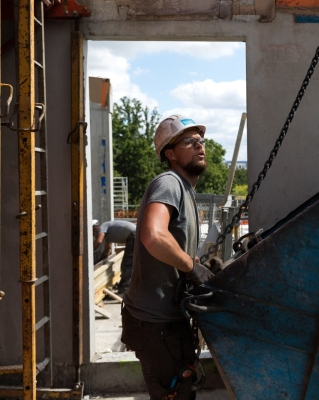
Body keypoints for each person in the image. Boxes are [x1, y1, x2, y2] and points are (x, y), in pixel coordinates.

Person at [121, 115, 215, 400]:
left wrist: (193, 264)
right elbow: (153, 235)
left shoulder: (184, 190)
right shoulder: (169, 183)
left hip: (165, 320)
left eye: (201, 140)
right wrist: (190, 267)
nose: (199, 146)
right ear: (170, 154)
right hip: (156, 324)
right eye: (189, 141)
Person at [92, 219, 136, 293]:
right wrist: (98, 262)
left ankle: (124, 289)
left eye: (93, 234)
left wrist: (88, 254)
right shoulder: (108, 233)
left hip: (133, 236)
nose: (94, 236)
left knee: (127, 264)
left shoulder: (103, 227)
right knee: (128, 263)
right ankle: (126, 286)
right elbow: (107, 250)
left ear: (95, 228)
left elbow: (99, 241)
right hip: (133, 236)